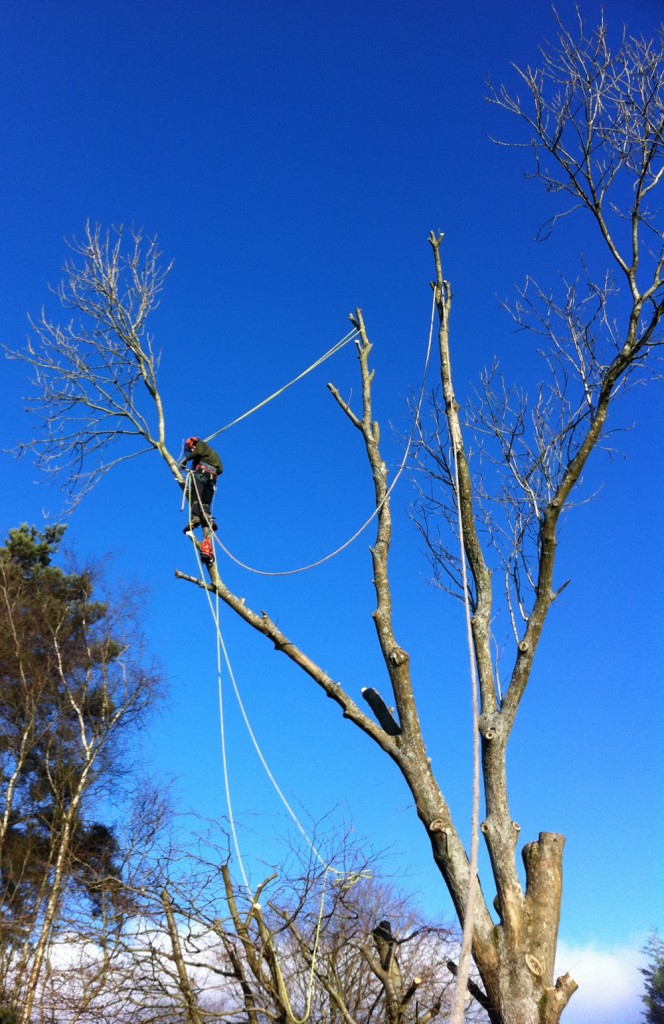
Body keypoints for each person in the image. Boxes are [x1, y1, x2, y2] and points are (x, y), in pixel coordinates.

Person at [179, 436, 223, 533]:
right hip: (212, 478)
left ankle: (195, 518)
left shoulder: (200, 445)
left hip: (201, 474)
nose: (192, 451)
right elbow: (220, 470)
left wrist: (185, 460)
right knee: (206, 501)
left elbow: (197, 452)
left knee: (195, 495)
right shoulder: (212, 455)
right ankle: (206, 516)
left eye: (192, 449)